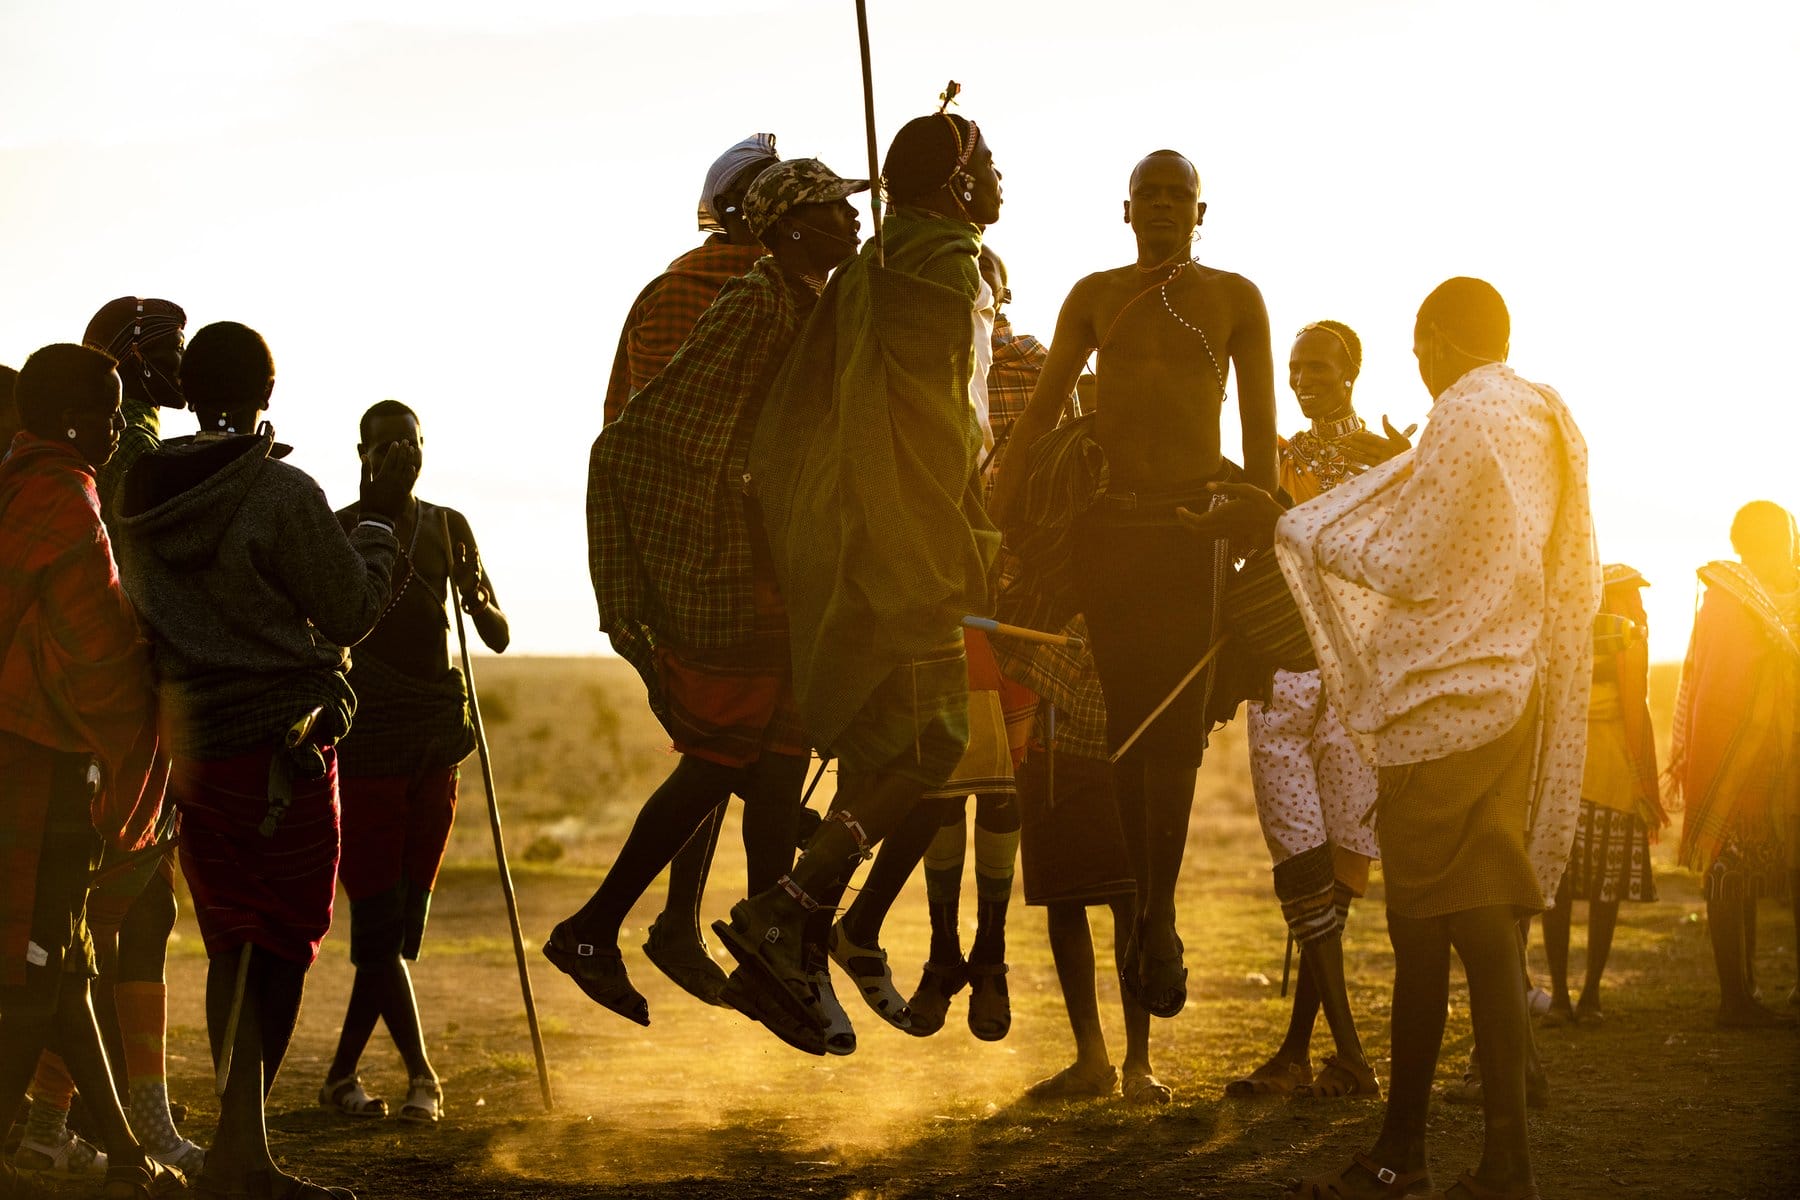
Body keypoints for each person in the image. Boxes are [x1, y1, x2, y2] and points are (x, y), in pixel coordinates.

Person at [1273, 278, 1598, 1200]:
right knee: (1487, 927)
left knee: (1419, 932)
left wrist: (1305, 530)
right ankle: (1503, 1162)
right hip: (1512, 693)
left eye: (1419, 350)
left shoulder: (1462, 412)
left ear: (1436, 340)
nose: (1418, 367)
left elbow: (1410, 558)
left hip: (1442, 705)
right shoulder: (1540, 412)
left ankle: (1401, 1156)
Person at [548, 158, 869, 1048]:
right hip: (733, 568)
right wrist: (729, 516)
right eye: (835, 210)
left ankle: (772, 950)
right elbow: (662, 432)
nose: (852, 223)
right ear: (790, 225)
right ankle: (592, 927)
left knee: (777, 758)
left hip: (778, 565)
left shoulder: (805, 301)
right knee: (722, 756)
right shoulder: (755, 304)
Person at [716, 107, 1005, 1044]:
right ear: (958, 181)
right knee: (933, 746)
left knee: (888, 752)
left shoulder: (877, 263)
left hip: (862, 536)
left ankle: (794, 933)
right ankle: (788, 906)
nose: (1002, 183)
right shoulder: (948, 270)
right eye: (990, 167)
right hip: (916, 540)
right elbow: (950, 419)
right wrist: (963, 523)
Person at [115, 321, 417, 1200]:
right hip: (286, 748)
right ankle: (240, 1150)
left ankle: (238, 1149)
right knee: (282, 940)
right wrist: (380, 521)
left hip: (192, 747)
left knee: (231, 940)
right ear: (268, 395)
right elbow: (351, 609)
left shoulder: (136, 494)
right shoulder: (280, 492)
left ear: (188, 392)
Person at [991, 149, 1278, 1020]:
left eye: (1175, 195)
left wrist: (1257, 519)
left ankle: (1159, 913)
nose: (1160, 206)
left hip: (1191, 538)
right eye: (1146, 194)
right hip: (1109, 530)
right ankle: (1149, 907)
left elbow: (1260, 438)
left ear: (1200, 212)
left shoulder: (1236, 299)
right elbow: (1041, 416)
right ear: (1125, 211)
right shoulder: (1093, 295)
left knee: (1175, 737)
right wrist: (994, 518)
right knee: (1125, 729)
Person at [828, 245, 1044, 1042]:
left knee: (1004, 787)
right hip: (937, 598)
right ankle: (946, 950)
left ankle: (989, 954)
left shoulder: (1033, 366)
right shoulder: (917, 370)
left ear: (1001, 299)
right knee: (942, 784)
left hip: (1017, 598)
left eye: (983, 290)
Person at [594, 132, 783, 1004]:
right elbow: (675, 435)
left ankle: (689, 923)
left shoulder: (752, 290)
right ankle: (654, 925)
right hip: (715, 557)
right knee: (729, 746)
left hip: (724, 553)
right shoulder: (707, 297)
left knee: (734, 745)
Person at [0, 343, 183, 1198]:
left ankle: (124, 1151)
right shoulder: (64, 500)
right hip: (41, 773)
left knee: (64, 964)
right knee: (39, 973)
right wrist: (157, 671)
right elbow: (98, 654)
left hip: (28, 763)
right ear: (73, 420)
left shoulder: (18, 487)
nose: (116, 429)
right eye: (106, 415)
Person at [1227, 321, 1407, 1101]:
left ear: (1353, 372)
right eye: (1295, 369)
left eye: (1320, 370)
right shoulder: (1275, 462)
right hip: (1283, 676)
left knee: (1332, 874)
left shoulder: (1387, 465)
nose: (1304, 381)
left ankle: (1317, 1055)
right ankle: (1333, 1055)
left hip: (1358, 689)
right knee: (1300, 861)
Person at [319, 401, 509, 1124]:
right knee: (379, 925)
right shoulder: (339, 529)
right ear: (362, 453)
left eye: (414, 443)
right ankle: (423, 1077)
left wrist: (483, 607)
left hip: (435, 741)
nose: (404, 454)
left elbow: (496, 630)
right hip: (365, 742)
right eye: (388, 444)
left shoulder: (447, 526)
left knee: (398, 931)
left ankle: (341, 1077)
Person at [1002, 612, 1170, 1105]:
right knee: (1063, 901)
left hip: (1122, 742)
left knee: (1130, 902)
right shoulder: (1043, 579)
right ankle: (1091, 1059)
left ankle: (1139, 1063)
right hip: (1048, 746)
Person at [1671, 501, 1800, 1028]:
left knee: (1781, 869)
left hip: (1782, 758)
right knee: (1729, 873)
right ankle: (1736, 997)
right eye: (1782, 541)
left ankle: (1753, 992)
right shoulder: (1729, 600)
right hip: (1739, 762)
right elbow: (1714, 678)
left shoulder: (1755, 599)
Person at [1539, 565, 1667, 1027]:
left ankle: (1583, 994)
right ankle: (1566, 995)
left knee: (1592, 890)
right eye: (1631, 599)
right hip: (1577, 776)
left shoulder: (1613, 636)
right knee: (1566, 890)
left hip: (1600, 775)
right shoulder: (1573, 628)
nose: (1639, 608)